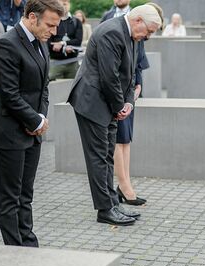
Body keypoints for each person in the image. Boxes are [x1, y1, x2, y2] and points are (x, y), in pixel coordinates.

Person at [69, 4, 162, 226]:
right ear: (138, 20)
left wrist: (128, 102)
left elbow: (129, 74)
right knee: (99, 158)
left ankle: (112, 203)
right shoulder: (112, 31)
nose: (148, 36)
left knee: (107, 155)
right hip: (91, 101)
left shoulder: (130, 34)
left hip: (108, 102)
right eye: (148, 31)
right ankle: (105, 210)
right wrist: (120, 105)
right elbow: (109, 75)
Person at [0, 0, 62, 247]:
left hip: (32, 132)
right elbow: (9, 94)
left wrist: (39, 120)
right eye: (50, 25)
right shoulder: (7, 44)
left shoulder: (41, 43)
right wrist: (34, 119)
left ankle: (28, 243)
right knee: (10, 197)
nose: (54, 31)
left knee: (25, 195)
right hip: (9, 133)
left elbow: (43, 88)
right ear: (31, 17)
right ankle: (15, 249)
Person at [101, 0, 152, 208]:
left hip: (130, 89)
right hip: (114, 90)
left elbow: (138, 58)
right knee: (116, 138)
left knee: (126, 138)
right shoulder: (107, 18)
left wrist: (138, 86)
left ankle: (125, 185)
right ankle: (123, 186)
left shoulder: (141, 20)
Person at [47, 0, 82, 80]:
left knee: (72, 89)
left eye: (65, 3)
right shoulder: (51, 20)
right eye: (61, 3)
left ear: (69, 4)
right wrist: (64, 48)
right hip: (55, 62)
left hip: (73, 62)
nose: (64, 6)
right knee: (53, 89)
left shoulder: (76, 21)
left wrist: (62, 43)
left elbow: (78, 41)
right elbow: (48, 42)